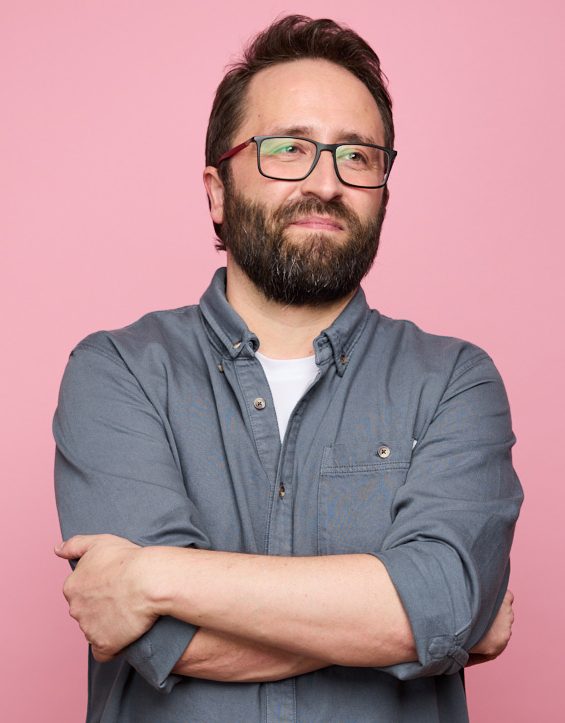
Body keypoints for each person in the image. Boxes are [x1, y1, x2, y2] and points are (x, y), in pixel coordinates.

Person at [53, 14, 523, 723]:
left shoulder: (456, 380)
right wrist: (419, 621)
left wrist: (151, 575)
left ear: (383, 192)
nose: (325, 182)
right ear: (217, 190)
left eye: (356, 156)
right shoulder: (118, 371)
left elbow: (444, 602)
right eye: (287, 149)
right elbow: (156, 639)